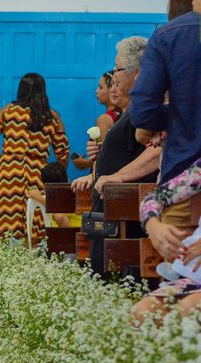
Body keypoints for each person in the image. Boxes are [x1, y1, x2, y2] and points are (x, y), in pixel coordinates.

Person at [72, 36, 160, 276]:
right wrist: (99, 163)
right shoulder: (129, 112)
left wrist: (118, 176)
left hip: (128, 214)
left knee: (118, 277)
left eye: (117, 69)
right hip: (109, 212)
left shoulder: (149, 109)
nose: (114, 76)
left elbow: (156, 151)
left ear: (137, 73)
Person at [129, 2, 201, 259]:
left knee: (179, 279)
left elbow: (142, 113)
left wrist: (181, 114)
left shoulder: (169, 36)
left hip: (184, 172)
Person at [0, 73, 70, 244]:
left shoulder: (7, 111)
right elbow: (63, 154)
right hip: (38, 176)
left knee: (2, 233)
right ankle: (33, 268)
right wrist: (55, 176)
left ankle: (0, 268)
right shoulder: (52, 116)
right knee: (35, 231)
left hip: (8, 175)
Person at [133, 155, 201, 324]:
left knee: (188, 310)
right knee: (143, 312)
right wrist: (153, 225)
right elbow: (156, 197)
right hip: (195, 276)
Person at [73, 71, 121, 171]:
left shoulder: (104, 119)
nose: (96, 91)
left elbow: (102, 157)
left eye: (100, 87)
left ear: (112, 89)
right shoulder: (123, 115)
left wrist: (82, 163)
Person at [26, 162, 81, 228]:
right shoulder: (74, 193)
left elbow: (60, 217)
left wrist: (40, 198)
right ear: (68, 180)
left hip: (70, 236)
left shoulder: (59, 201)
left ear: (45, 187)